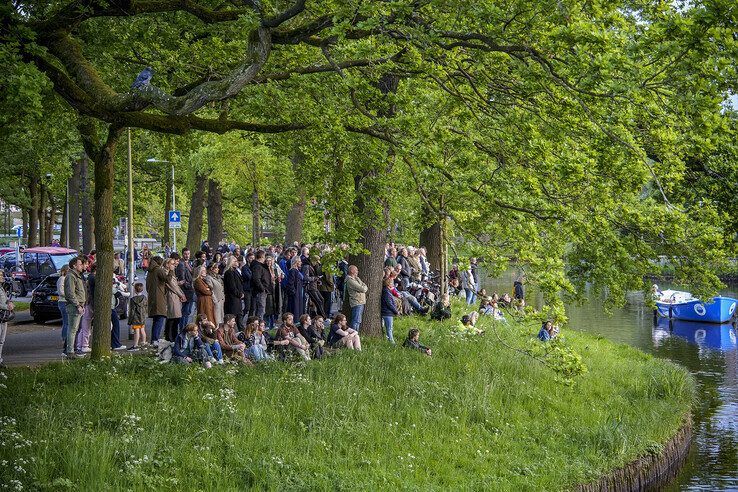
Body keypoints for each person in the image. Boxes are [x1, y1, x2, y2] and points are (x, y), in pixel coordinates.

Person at [63, 256, 86, 358]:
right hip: (74, 306)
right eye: (80, 264)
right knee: (72, 329)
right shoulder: (71, 276)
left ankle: (73, 350)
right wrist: (77, 305)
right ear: (74, 265)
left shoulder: (77, 276)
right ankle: (70, 351)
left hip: (79, 305)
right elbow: (70, 293)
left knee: (75, 329)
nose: (82, 266)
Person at [146, 256, 168, 344]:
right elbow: (167, 279)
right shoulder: (158, 270)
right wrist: (170, 271)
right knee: (160, 317)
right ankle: (155, 339)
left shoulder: (150, 272)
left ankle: (154, 339)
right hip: (159, 297)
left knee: (156, 319)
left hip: (152, 296)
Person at [164, 257, 186, 342]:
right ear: (167, 265)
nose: (174, 266)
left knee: (175, 318)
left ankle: (173, 336)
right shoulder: (167, 274)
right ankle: (170, 337)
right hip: (172, 296)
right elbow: (172, 286)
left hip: (175, 296)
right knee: (172, 318)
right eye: (172, 264)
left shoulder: (171, 273)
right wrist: (181, 295)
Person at [175, 248, 195, 330]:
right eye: (185, 254)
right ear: (182, 254)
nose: (187, 255)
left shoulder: (188, 263)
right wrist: (189, 286)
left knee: (188, 311)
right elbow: (182, 279)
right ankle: (183, 329)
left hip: (189, 289)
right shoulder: (181, 264)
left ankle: (184, 328)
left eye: (188, 254)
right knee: (185, 311)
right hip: (186, 290)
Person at [223, 256, 244, 331]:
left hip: (237, 299)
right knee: (233, 318)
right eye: (235, 261)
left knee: (239, 318)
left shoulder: (235, 271)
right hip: (232, 299)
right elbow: (232, 287)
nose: (237, 262)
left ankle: (242, 334)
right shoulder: (229, 272)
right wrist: (239, 294)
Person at [345, 265, 368, 332]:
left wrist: (363, 285)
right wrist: (363, 287)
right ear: (352, 271)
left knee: (358, 320)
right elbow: (363, 289)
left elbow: (363, 285)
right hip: (356, 302)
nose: (357, 271)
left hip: (360, 301)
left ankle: (355, 334)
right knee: (356, 320)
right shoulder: (350, 280)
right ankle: (354, 335)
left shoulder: (356, 279)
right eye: (356, 270)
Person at [250, 250, 271, 320]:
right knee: (261, 310)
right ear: (262, 256)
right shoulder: (257, 266)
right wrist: (262, 288)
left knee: (260, 310)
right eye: (264, 256)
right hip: (259, 291)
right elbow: (256, 279)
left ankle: (258, 324)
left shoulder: (260, 265)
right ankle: (259, 325)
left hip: (261, 290)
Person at [127, 282, 148, 350]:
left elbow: (132, 311)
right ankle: (143, 343)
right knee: (142, 330)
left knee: (136, 331)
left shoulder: (133, 300)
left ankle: (135, 345)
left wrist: (130, 321)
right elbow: (146, 307)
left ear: (135, 290)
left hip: (136, 318)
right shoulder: (144, 298)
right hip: (143, 317)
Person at [110, 279, 128, 351]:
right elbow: (119, 294)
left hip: (110, 307)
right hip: (111, 307)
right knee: (116, 325)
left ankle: (113, 343)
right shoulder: (111, 288)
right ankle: (116, 344)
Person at [0, 270, 14, 366]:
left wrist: (9, 302)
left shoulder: (1, 287)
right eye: (0, 275)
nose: (2, 277)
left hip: (3, 316)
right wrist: (7, 307)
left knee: (2, 340)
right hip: (1, 315)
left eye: (2, 275)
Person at [381, 277, 399, 344]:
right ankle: (392, 343)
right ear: (389, 284)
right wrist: (396, 311)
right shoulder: (386, 292)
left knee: (389, 328)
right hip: (387, 313)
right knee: (389, 329)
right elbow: (389, 303)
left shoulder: (387, 291)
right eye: (392, 283)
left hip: (387, 312)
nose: (393, 284)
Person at [56, 265, 69, 349]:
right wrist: (69, 295)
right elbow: (61, 291)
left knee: (67, 322)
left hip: (65, 301)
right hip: (63, 302)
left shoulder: (65, 279)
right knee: (66, 322)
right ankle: (64, 339)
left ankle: (65, 338)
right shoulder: (62, 279)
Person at [241, 252, 253, 317]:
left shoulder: (253, 267)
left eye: (253, 258)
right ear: (247, 259)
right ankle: (240, 319)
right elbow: (248, 277)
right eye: (251, 258)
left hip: (252, 289)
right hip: (246, 289)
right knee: (247, 307)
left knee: (252, 307)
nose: (252, 259)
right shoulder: (245, 267)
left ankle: (250, 322)